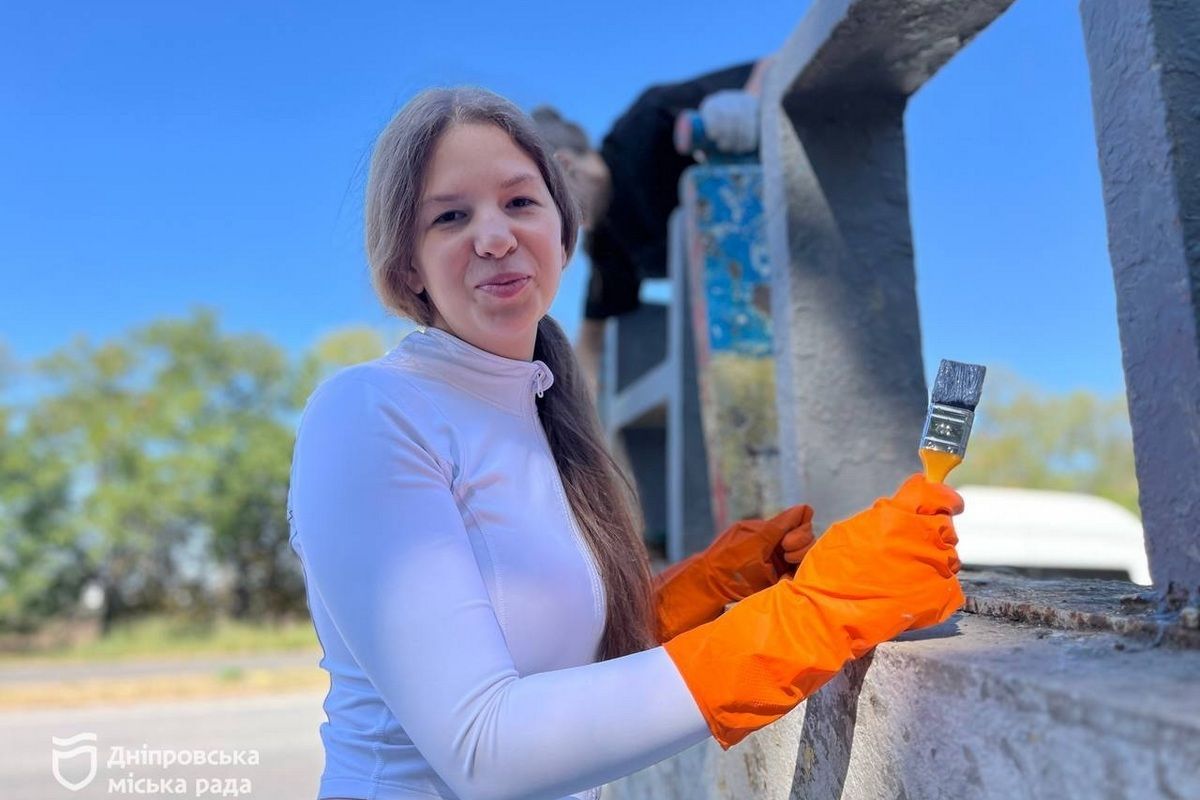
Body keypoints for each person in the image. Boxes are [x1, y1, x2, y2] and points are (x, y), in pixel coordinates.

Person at [287, 85, 966, 800]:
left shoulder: (543, 414)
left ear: (563, 230)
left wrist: (696, 593)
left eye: (521, 202)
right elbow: (487, 750)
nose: (495, 236)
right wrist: (811, 617)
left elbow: (552, 661)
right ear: (406, 269)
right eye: (451, 217)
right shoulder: (369, 413)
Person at [531, 59, 773, 395]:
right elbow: (590, 343)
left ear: (567, 168)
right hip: (762, 308)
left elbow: (770, 64)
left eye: (544, 208)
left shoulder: (648, 123)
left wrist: (750, 101)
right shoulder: (606, 245)